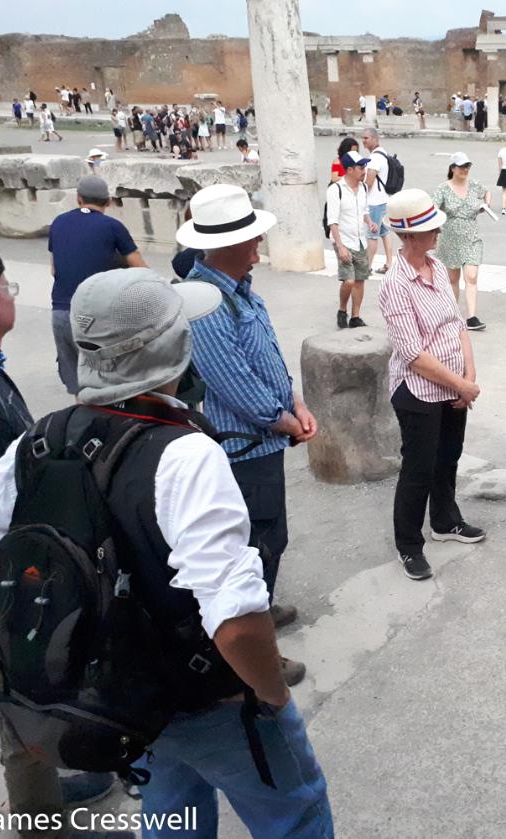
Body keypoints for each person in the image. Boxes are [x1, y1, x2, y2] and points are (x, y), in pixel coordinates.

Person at [0, 267, 336, 839]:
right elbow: (233, 621)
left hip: (120, 697)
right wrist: (271, 695)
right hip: (209, 699)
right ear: (174, 348)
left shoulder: (37, 441)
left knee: (169, 812)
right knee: (294, 814)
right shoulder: (186, 454)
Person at [0, 244, 123, 839]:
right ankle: (38, 820)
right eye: (7, 285)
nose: (10, 294)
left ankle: (47, 786)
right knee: (26, 686)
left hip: (4, 564)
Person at [176, 185, 316, 684]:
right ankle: (254, 649)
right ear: (222, 246)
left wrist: (295, 404)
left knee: (266, 537)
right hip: (242, 447)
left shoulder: (236, 289)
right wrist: (285, 420)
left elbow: (267, 358)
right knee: (254, 544)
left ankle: (262, 609)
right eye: (250, 239)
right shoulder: (207, 302)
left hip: (263, 437)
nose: (258, 247)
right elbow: (232, 381)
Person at [377, 189, 485, 582]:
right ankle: (409, 545)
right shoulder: (394, 284)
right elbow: (412, 354)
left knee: (448, 458)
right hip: (419, 390)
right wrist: (460, 383)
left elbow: (457, 323)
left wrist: (467, 379)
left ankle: (445, 521)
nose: (438, 230)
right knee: (418, 469)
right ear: (408, 237)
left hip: (453, 384)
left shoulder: (437, 268)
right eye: (429, 227)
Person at [47, 176, 145, 395]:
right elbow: (141, 270)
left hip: (62, 312)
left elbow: (54, 270)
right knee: (108, 385)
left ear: (78, 199)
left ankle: (81, 426)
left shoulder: (59, 222)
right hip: (97, 316)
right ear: (108, 201)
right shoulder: (113, 226)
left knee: (79, 388)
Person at [433, 152, 491, 331]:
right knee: (452, 278)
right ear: (453, 169)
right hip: (450, 236)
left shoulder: (474, 186)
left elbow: (487, 192)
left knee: (471, 276)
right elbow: (433, 208)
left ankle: (472, 317)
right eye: (461, 166)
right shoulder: (443, 188)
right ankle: (452, 314)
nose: (465, 170)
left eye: (467, 166)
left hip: (471, 235)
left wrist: (486, 205)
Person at [327, 151, 376, 329]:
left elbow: (364, 211)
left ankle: (355, 316)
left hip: (360, 240)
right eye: (361, 167)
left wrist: (370, 222)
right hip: (344, 241)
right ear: (349, 170)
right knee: (348, 280)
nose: (364, 170)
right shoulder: (335, 189)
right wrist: (340, 247)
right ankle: (342, 309)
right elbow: (332, 220)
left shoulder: (363, 188)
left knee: (360, 280)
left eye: (364, 166)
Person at [361, 127, 396, 275]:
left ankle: (367, 267)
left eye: (366, 138)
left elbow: (369, 181)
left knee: (372, 234)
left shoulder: (375, 158)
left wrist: (359, 193)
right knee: (384, 231)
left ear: (375, 139)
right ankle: (389, 263)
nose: (363, 141)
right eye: (362, 138)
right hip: (384, 199)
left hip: (375, 201)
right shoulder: (384, 153)